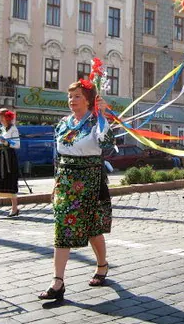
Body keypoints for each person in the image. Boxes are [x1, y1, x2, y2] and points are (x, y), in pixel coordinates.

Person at [39, 79, 114, 301]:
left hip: (89, 181)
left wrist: (102, 115)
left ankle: (102, 265)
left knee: (92, 229)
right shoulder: (63, 123)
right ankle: (58, 281)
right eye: (70, 96)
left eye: (77, 96)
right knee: (62, 226)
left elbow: (108, 145)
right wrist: (55, 183)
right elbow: (58, 156)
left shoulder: (96, 122)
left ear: (89, 99)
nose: (72, 100)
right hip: (66, 181)